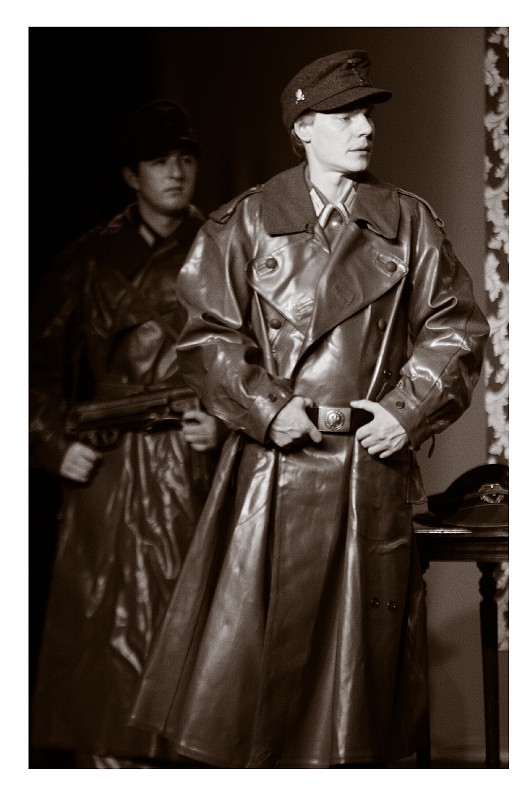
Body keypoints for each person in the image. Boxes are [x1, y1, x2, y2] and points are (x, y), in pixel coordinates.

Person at [130, 51, 490, 768]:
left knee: (365, 680)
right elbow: (204, 336)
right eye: (344, 116)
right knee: (266, 671)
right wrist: (266, 407)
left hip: (369, 468)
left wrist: (405, 411)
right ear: (302, 128)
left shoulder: (408, 221)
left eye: (367, 115)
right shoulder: (245, 222)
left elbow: (456, 328)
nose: (365, 129)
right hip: (273, 470)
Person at [29, 100, 225, 768]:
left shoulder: (225, 249)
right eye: (159, 161)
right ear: (130, 175)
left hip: (193, 465)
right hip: (108, 472)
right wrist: (53, 444)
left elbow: (259, 362)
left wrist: (223, 423)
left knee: (197, 640)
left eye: (186, 158)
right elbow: (31, 367)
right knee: (105, 652)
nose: (176, 172)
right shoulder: (85, 260)